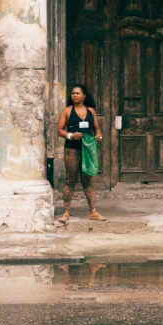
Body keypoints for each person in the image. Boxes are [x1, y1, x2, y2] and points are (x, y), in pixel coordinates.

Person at [56, 84, 106, 223]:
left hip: (88, 149)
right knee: (70, 180)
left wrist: (98, 135)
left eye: (77, 93)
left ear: (84, 96)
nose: (74, 95)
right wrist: (71, 136)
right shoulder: (67, 111)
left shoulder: (91, 111)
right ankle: (66, 212)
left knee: (87, 181)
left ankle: (93, 211)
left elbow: (97, 129)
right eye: (73, 93)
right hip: (72, 149)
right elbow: (59, 130)